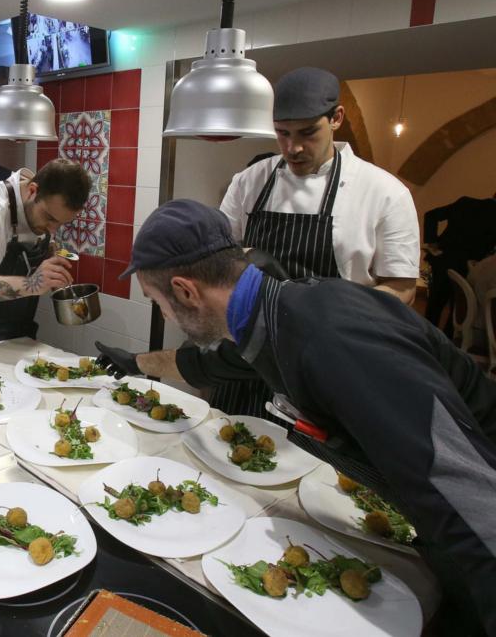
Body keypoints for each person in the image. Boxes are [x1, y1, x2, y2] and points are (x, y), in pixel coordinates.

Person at [112, 198, 496, 635]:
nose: (164, 315)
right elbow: (208, 364)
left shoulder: (336, 342)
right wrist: (136, 363)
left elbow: (472, 502)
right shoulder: (268, 317)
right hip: (437, 531)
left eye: (156, 301)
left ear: (185, 291)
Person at [99, 67, 421, 419]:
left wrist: (324, 314)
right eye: (282, 133)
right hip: (245, 356)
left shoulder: (384, 193)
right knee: (230, 439)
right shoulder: (250, 181)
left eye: (308, 132)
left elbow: (403, 289)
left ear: (337, 118)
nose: (293, 147)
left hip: (321, 366)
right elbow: (218, 265)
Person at [0, 159, 90, 344]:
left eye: (61, 224)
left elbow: (47, 240)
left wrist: (53, 268)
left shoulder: (44, 204)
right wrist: (31, 284)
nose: (52, 229)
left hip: (20, 330)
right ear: (32, 191)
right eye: (49, 218)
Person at [423, 194, 496, 330]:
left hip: (444, 258)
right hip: (467, 268)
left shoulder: (466, 202)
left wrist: (432, 242)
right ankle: (448, 337)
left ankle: (425, 334)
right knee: (458, 309)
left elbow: (430, 215)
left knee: (435, 304)